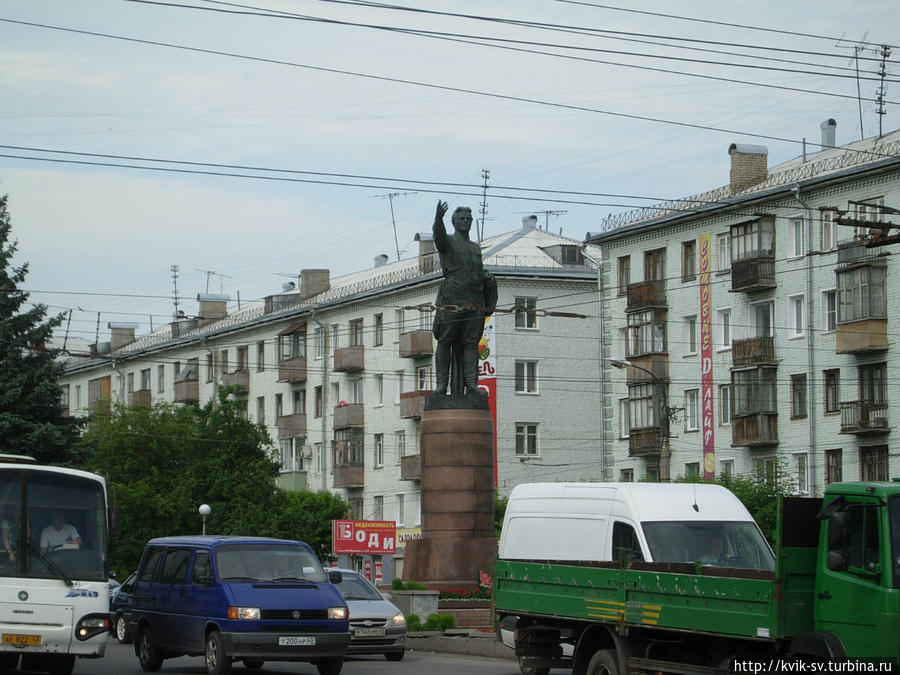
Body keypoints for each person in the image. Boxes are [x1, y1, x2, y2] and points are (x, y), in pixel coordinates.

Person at [431, 200, 497, 395]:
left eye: (468, 219)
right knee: (445, 341)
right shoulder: (448, 242)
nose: (465, 221)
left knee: (471, 344)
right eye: (461, 218)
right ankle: (442, 384)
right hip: (451, 302)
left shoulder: (476, 248)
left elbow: (477, 273)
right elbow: (439, 237)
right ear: (454, 222)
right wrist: (438, 218)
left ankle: (471, 384)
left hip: (474, 303)